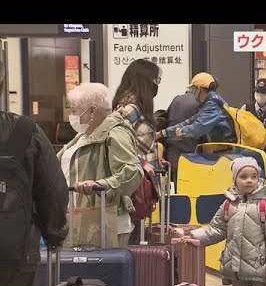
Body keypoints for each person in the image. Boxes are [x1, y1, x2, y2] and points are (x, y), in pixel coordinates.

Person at [0, 59, 68, 286]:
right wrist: (55, 235)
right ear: (1, 85)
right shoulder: (25, 131)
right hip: (15, 254)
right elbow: (53, 190)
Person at [181, 157, 266, 286]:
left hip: (261, 267)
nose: (249, 180)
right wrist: (193, 237)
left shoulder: (265, 207)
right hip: (236, 267)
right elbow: (217, 229)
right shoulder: (228, 205)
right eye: (243, 176)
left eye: (254, 177)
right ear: (234, 180)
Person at [57, 83, 144, 247]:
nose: (71, 115)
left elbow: (132, 172)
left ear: (91, 111)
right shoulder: (83, 135)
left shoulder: (116, 132)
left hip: (105, 223)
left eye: (74, 110)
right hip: (81, 220)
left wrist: (99, 185)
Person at [112, 59, 162, 243]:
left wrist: (155, 159)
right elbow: (117, 143)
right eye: (155, 79)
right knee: (131, 238)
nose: (156, 85)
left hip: (138, 182)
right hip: (133, 183)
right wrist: (143, 162)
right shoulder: (130, 108)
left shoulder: (134, 106)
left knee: (135, 234)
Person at [157, 72, 236, 144]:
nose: (192, 92)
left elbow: (197, 129)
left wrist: (181, 131)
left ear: (198, 89)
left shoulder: (213, 105)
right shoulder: (209, 103)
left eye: (193, 89)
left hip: (228, 150)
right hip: (223, 148)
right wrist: (162, 133)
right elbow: (189, 121)